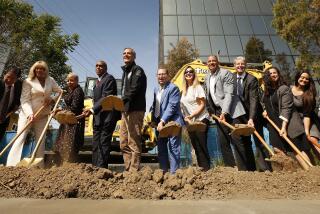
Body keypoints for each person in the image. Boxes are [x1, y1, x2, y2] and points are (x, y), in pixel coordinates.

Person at [204, 55, 255, 171]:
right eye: (209, 61)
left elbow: (229, 94)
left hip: (232, 110)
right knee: (223, 141)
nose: (212, 63)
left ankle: (244, 170)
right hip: (218, 112)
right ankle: (231, 168)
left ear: (218, 63)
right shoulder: (207, 77)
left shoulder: (225, 73)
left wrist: (224, 111)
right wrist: (211, 110)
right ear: (207, 64)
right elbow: (208, 96)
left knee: (237, 140)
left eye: (214, 61)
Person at [6, 61, 62, 167]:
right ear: (34, 69)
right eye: (37, 68)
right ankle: (11, 166)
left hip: (42, 115)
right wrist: (29, 114)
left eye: (42, 69)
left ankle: (39, 166)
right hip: (27, 115)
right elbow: (25, 100)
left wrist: (51, 99)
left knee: (40, 140)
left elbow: (60, 92)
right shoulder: (28, 81)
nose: (39, 70)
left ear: (46, 70)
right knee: (20, 137)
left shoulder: (50, 80)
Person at [262, 67, 312, 170]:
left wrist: (284, 127)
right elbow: (267, 103)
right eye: (270, 73)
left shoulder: (284, 88)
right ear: (267, 76)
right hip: (274, 124)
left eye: (275, 72)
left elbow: (286, 108)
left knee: (298, 150)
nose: (273, 75)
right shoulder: (267, 92)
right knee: (277, 148)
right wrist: (265, 110)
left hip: (288, 123)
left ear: (278, 74)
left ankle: (310, 171)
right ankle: (289, 172)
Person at [233, 56, 271, 171]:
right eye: (238, 64)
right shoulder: (231, 78)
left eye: (242, 64)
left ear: (245, 65)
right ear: (235, 66)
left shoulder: (252, 79)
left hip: (253, 114)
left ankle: (265, 169)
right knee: (243, 141)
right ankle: (246, 168)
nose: (240, 66)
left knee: (258, 141)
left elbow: (254, 100)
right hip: (239, 114)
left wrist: (251, 118)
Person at [83, 60, 120, 168]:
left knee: (103, 143)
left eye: (101, 66)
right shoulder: (97, 83)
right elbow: (96, 100)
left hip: (107, 118)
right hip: (98, 118)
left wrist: (92, 110)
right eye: (97, 66)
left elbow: (105, 97)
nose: (98, 67)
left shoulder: (109, 79)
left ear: (105, 68)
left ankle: (101, 169)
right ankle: (94, 167)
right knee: (95, 144)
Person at [150, 68, 184, 174]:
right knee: (161, 148)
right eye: (159, 74)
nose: (161, 76)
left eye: (163, 74)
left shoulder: (173, 88)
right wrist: (152, 119)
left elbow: (172, 107)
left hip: (172, 121)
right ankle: (163, 173)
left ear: (168, 75)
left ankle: (174, 175)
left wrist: (163, 121)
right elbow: (156, 105)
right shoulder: (156, 89)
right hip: (159, 123)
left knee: (174, 147)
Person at [120, 48, 147, 172]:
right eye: (124, 53)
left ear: (134, 56)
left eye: (129, 53)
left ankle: (134, 171)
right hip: (125, 110)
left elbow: (134, 89)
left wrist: (121, 100)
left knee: (134, 141)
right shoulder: (125, 72)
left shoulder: (137, 70)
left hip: (135, 110)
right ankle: (128, 169)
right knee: (123, 142)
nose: (126, 55)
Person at [180, 66, 210, 171]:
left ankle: (207, 170)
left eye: (190, 71)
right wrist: (186, 118)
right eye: (186, 72)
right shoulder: (184, 90)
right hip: (191, 122)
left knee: (201, 146)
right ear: (184, 75)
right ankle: (202, 169)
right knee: (196, 147)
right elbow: (183, 107)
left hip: (201, 119)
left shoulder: (197, 87)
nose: (188, 73)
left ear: (194, 74)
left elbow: (202, 104)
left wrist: (192, 115)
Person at [54, 73, 85, 164]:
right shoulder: (69, 91)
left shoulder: (78, 91)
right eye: (68, 80)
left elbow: (74, 108)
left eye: (71, 80)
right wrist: (59, 109)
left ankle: (69, 164)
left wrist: (61, 111)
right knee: (63, 143)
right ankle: (61, 163)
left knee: (70, 144)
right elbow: (66, 104)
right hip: (67, 120)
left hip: (74, 121)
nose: (69, 82)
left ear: (76, 81)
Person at [291, 70, 320, 159]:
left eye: (307, 79)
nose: (304, 80)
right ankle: (313, 170)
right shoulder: (288, 89)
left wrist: (307, 131)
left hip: (310, 121)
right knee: (305, 148)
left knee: (313, 141)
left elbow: (307, 114)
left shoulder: (309, 94)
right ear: (297, 77)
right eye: (302, 77)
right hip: (296, 122)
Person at [0, 67, 22, 142]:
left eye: (13, 78)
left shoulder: (18, 87)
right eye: (8, 76)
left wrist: (17, 105)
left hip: (4, 120)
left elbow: (19, 99)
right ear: (5, 74)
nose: (9, 80)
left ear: (16, 80)